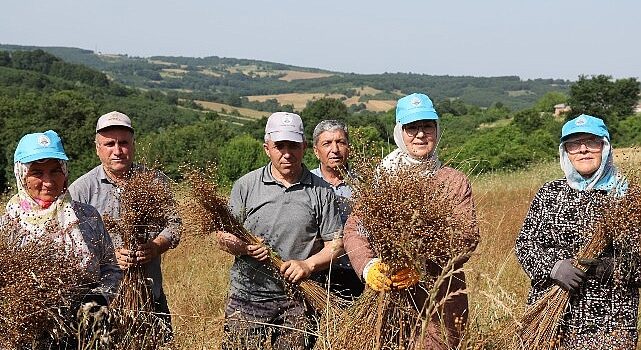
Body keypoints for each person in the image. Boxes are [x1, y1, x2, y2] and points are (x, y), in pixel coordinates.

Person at [343, 93, 480, 348]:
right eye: (411, 127)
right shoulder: (382, 179)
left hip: (441, 302)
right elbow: (354, 230)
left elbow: (467, 237)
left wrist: (420, 265)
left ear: (437, 130)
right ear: (399, 132)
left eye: (427, 126)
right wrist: (368, 266)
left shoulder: (453, 181)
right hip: (388, 298)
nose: (420, 134)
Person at [216, 112, 343, 350]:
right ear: (267, 148)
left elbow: (336, 244)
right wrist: (243, 248)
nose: (287, 153)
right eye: (279, 146)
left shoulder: (322, 191)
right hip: (247, 296)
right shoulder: (246, 185)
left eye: (293, 145)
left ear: (304, 147)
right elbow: (223, 238)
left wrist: (308, 265)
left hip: (298, 300)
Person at [515, 114, 639, 349]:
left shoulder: (629, 196)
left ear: (605, 147)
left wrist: (615, 267)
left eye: (591, 141)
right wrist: (553, 266)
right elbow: (525, 243)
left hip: (611, 322)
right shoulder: (550, 192)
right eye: (574, 144)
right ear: (566, 152)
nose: (583, 150)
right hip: (552, 317)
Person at [1, 130, 122, 347]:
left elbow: (111, 268)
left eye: (55, 171)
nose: (48, 182)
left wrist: (99, 299)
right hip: (30, 336)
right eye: (37, 172)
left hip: (87, 331)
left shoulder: (86, 217)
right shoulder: (9, 225)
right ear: (22, 175)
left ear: (65, 172)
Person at [68, 111, 181, 335]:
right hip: (101, 301)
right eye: (109, 144)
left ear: (133, 145)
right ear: (97, 147)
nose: (117, 151)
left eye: (124, 143)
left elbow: (175, 225)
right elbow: (71, 244)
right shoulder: (81, 190)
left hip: (149, 295)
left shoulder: (155, 182)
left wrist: (156, 246)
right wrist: (108, 256)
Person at [310, 119, 364, 298]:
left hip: (358, 271)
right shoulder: (307, 184)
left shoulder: (365, 184)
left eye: (340, 142)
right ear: (316, 151)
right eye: (327, 143)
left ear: (348, 147)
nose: (335, 149)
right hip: (316, 273)